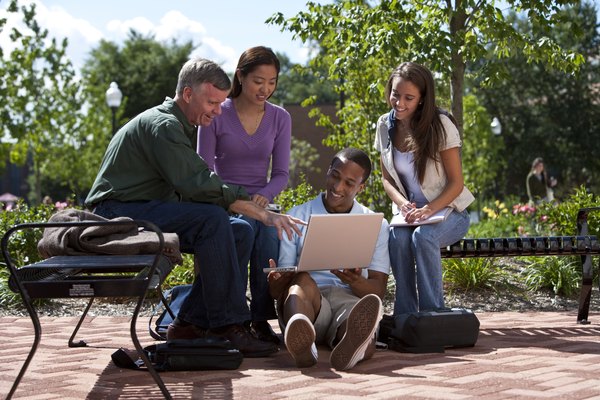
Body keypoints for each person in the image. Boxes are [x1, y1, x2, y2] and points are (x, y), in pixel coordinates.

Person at [84, 58, 304, 358]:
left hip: (145, 209)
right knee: (214, 219)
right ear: (188, 94)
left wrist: (249, 211)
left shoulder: (184, 124)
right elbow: (197, 183)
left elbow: (197, 188)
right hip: (116, 214)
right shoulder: (164, 126)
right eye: (212, 102)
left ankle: (188, 322)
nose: (217, 111)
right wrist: (259, 211)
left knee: (237, 230)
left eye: (221, 103)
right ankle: (229, 325)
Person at [198, 46, 291, 344]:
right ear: (241, 76)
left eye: (272, 81)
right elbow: (204, 169)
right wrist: (234, 200)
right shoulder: (217, 111)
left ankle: (261, 319)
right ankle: (233, 318)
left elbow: (281, 174)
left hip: (261, 201)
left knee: (267, 232)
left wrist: (264, 195)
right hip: (224, 201)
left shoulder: (280, 118)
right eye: (258, 81)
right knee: (243, 229)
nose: (265, 88)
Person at [267, 148, 390, 370]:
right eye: (335, 175)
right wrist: (278, 282)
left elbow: (377, 290)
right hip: (310, 300)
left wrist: (353, 280)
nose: (338, 186)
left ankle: (353, 346)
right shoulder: (296, 217)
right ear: (328, 172)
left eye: (349, 183)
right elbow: (279, 291)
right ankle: (302, 337)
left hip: (349, 297)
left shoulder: (376, 225)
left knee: (362, 322)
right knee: (301, 279)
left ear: (361, 188)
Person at [374, 62, 474, 316]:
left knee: (423, 236)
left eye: (409, 98)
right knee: (397, 239)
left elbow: (456, 183)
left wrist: (428, 210)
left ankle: (433, 315)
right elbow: (386, 179)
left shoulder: (440, 124)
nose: (399, 103)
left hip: (449, 213)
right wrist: (402, 204)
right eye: (395, 94)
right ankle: (405, 315)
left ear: (421, 99)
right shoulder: (384, 125)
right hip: (410, 216)